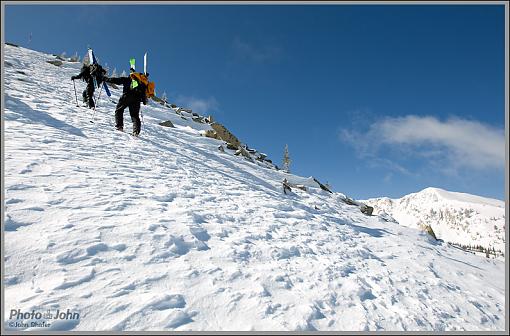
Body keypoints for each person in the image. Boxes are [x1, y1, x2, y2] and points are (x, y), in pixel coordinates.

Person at [103, 68, 148, 136]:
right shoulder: (142, 83)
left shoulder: (128, 79)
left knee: (119, 109)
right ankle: (136, 132)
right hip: (137, 100)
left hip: (127, 96)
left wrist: (106, 79)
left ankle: (119, 126)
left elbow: (117, 80)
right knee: (135, 115)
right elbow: (144, 94)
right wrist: (144, 100)